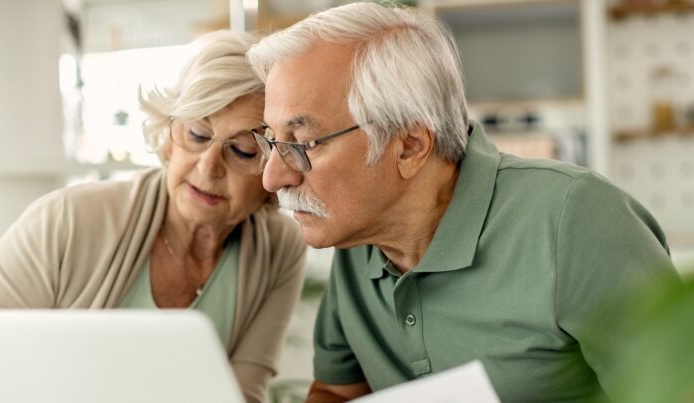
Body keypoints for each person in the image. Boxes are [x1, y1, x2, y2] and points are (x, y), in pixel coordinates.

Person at [246, 3, 679, 402]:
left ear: (410, 146)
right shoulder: (355, 236)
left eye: (302, 143)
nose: (273, 175)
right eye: (272, 139)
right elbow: (337, 392)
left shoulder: (575, 220)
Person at [0, 30, 306, 403]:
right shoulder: (68, 220)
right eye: (196, 134)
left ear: (274, 166)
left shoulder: (279, 249)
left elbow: (242, 394)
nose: (208, 168)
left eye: (241, 150)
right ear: (168, 133)